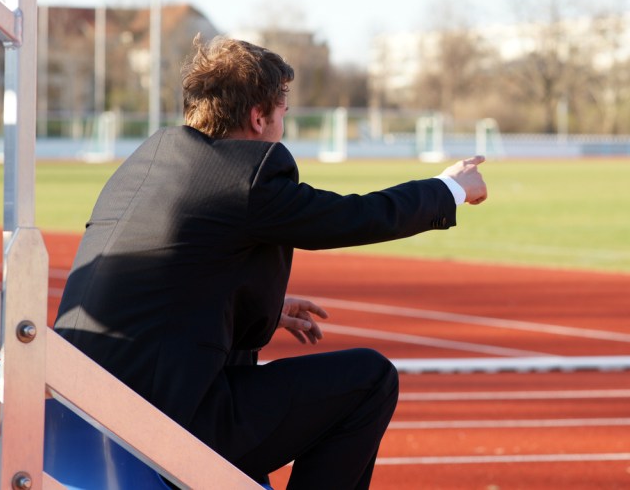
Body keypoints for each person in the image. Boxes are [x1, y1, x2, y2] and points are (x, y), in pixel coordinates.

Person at [54, 35, 487, 489]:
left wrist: (270, 312)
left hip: (79, 400)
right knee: (369, 380)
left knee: (247, 376)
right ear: (258, 117)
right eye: (283, 113)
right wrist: (449, 187)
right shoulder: (247, 178)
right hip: (158, 420)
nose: (283, 124)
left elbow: (169, 276)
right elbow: (352, 217)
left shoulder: (147, 161)